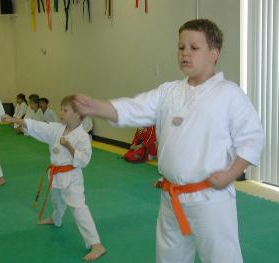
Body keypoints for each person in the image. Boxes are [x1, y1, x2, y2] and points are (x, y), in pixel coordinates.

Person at [73, 19, 264, 263]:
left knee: (221, 257)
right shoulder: (169, 91)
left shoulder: (229, 94)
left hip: (209, 198)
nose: (185, 53)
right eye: (181, 47)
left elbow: (252, 139)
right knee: (169, 257)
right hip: (171, 195)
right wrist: (97, 107)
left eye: (194, 48)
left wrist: (230, 175)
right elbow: (135, 108)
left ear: (213, 54)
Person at [3, 95, 106, 261]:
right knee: (56, 200)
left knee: (79, 208)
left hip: (72, 178)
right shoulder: (57, 128)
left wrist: (69, 146)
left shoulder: (82, 137)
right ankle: (55, 219)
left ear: (77, 114)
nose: (61, 113)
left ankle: (96, 244)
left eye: (65, 110)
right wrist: (16, 120)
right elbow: (39, 127)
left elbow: (84, 160)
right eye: (62, 109)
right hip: (56, 174)